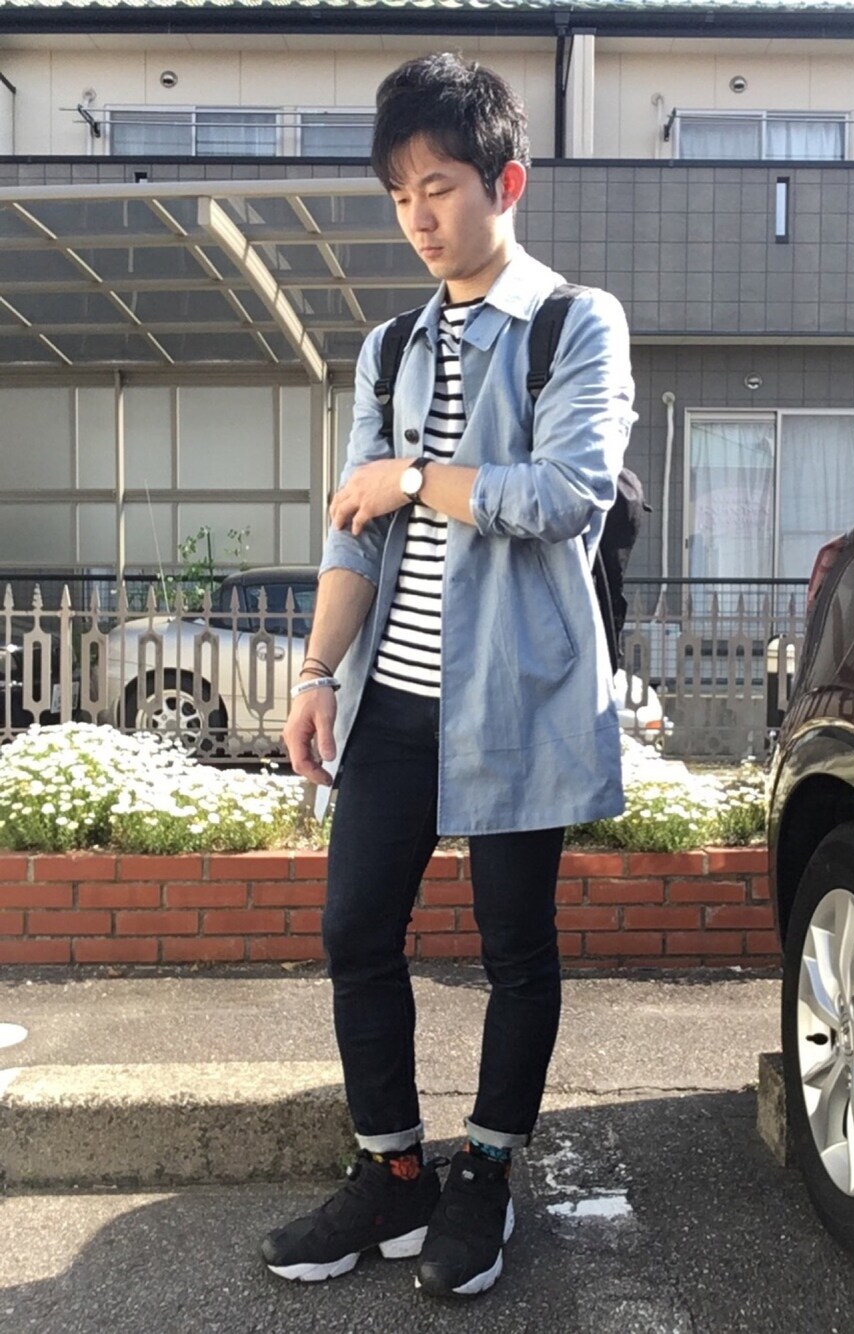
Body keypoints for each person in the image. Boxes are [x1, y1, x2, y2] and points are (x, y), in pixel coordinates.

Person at [262, 52, 635, 1299]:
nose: (418, 217)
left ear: (503, 181)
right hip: (395, 701)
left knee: (514, 944)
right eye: (398, 195)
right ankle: (393, 1172)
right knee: (353, 928)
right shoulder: (387, 351)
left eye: (438, 187)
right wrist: (316, 672)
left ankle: (486, 1169)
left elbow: (566, 492)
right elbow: (351, 532)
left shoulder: (574, 324)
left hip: (516, 694)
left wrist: (416, 477)